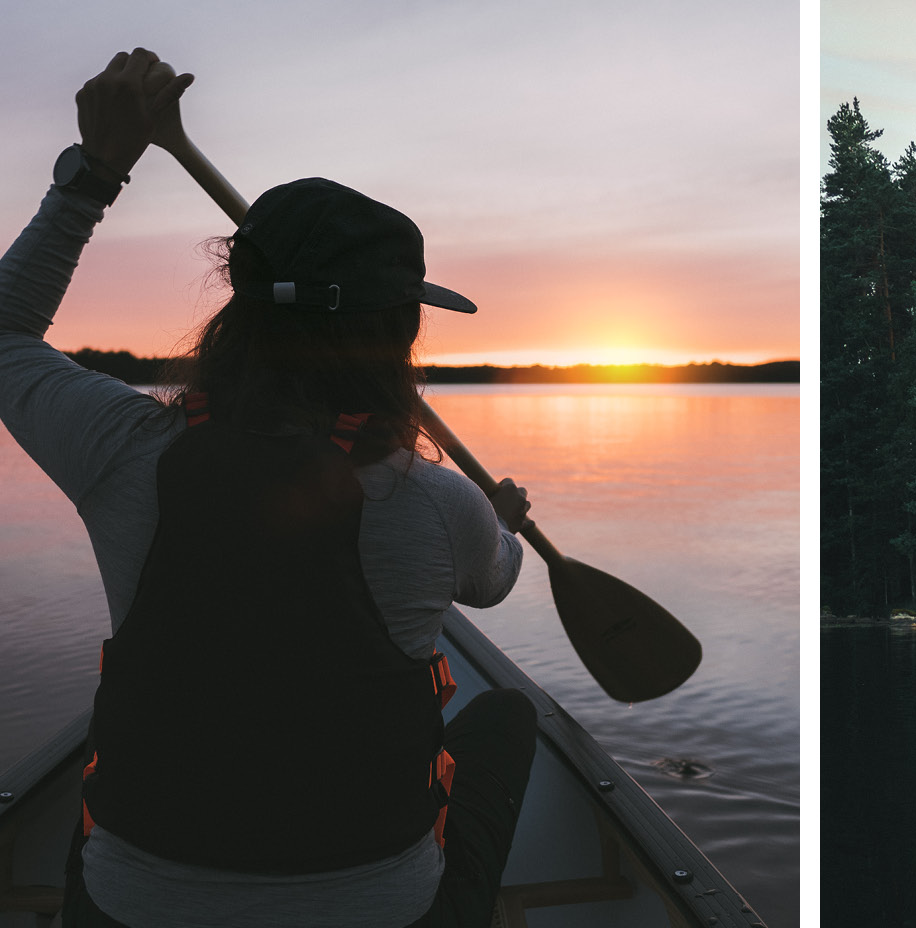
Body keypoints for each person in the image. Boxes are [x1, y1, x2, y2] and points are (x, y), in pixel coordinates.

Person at [0, 49, 538, 927]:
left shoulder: (121, 448)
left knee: (103, 776)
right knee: (508, 718)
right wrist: (505, 523)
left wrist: (92, 177)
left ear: (236, 307)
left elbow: (5, 332)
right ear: (399, 332)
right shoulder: (442, 506)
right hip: (382, 909)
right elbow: (495, 580)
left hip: (133, 907)